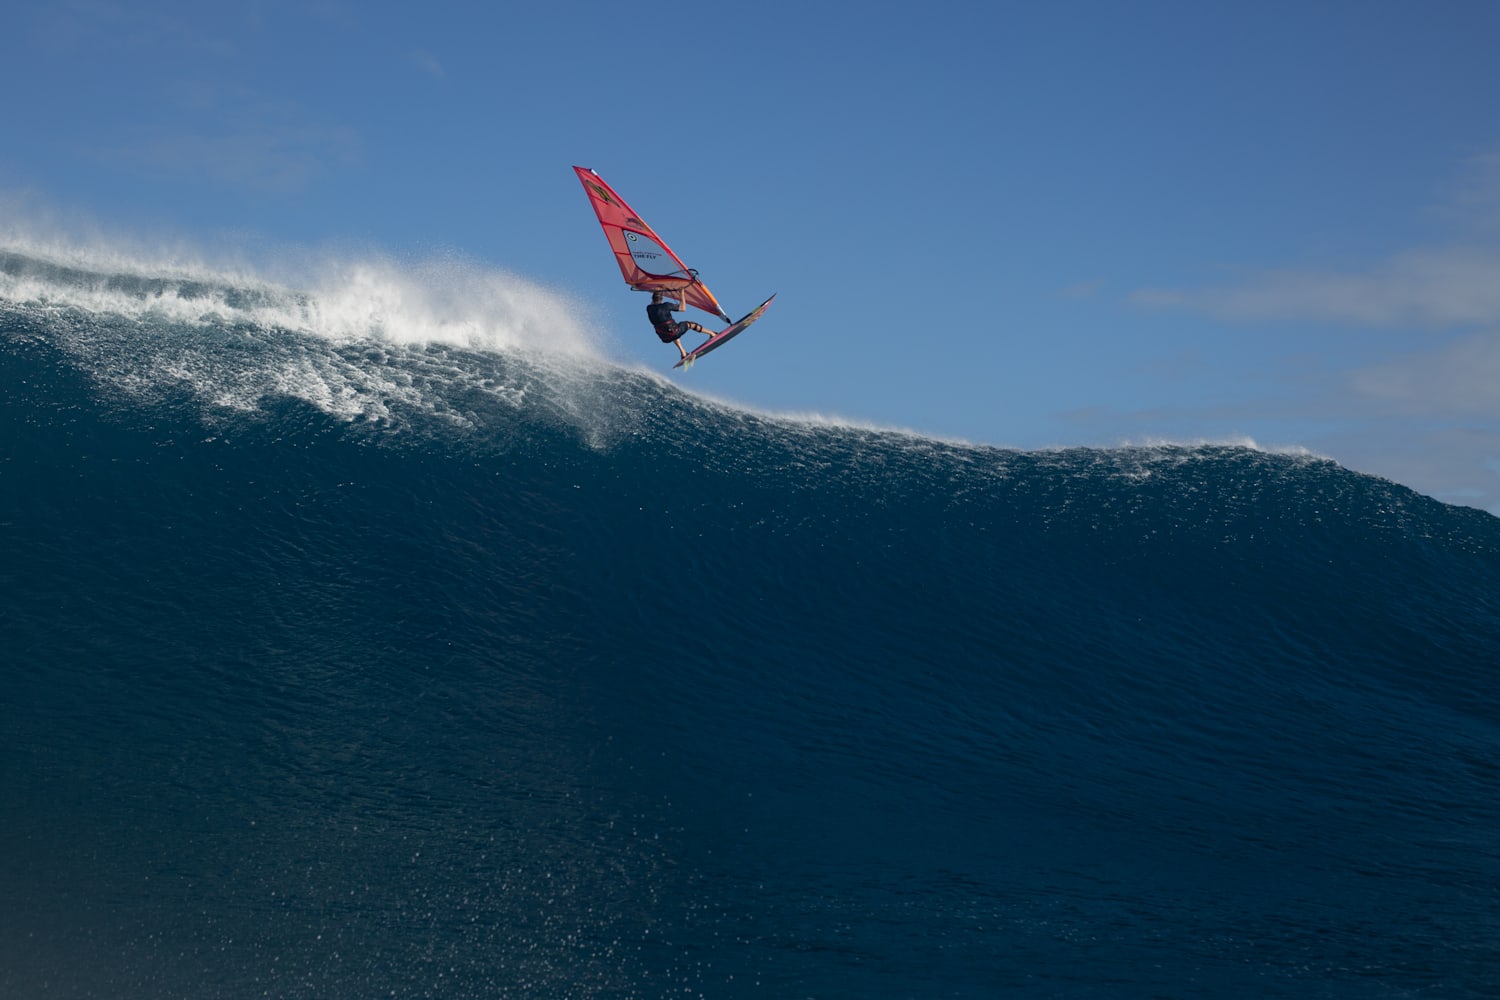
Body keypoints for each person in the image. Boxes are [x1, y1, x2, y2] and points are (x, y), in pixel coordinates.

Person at [647, 290, 711, 361]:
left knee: (672, 331)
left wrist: (655, 292)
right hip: (673, 331)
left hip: (664, 337)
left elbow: (653, 303)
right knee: (691, 324)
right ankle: (712, 334)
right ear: (662, 298)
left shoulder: (649, 308)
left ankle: (683, 353)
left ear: (652, 299)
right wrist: (682, 294)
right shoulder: (666, 305)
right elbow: (683, 308)